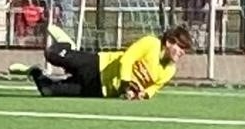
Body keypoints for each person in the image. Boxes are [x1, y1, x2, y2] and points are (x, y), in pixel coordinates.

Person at [28, 25, 193, 100]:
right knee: (52, 54)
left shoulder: (169, 70)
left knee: (48, 91)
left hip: (101, 91)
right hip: (97, 66)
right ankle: (67, 45)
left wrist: (142, 94)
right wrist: (125, 84)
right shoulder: (151, 43)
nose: (183, 52)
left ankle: (33, 72)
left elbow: (153, 88)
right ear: (169, 42)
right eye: (181, 47)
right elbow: (127, 59)